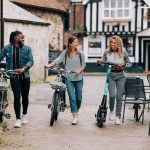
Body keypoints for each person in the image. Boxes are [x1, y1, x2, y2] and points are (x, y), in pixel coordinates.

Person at [46, 36, 86, 125]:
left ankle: (76, 110)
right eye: (75, 42)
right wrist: (49, 65)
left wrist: (79, 71)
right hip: (68, 78)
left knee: (78, 98)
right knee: (72, 98)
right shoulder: (65, 53)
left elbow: (83, 65)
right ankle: (75, 116)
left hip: (79, 78)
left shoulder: (81, 54)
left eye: (77, 42)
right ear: (70, 44)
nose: (77, 44)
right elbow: (57, 60)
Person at [0, 31, 34, 128]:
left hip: (25, 76)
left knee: (25, 97)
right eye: (20, 37)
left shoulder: (27, 49)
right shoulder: (7, 48)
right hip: (14, 77)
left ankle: (24, 115)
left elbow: (31, 61)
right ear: (15, 38)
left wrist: (23, 69)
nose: (22, 38)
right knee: (16, 97)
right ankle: (18, 119)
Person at [97, 35, 131, 125]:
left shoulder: (123, 52)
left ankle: (118, 116)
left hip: (121, 76)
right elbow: (103, 62)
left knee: (119, 97)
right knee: (112, 95)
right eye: (111, 42)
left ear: (118, 44)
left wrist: (123, 64)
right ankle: (111, 111)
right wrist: (99, 62)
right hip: (110, 75)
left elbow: (129, 64)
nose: (112, 44)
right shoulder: (106, 52)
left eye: (114, 43)